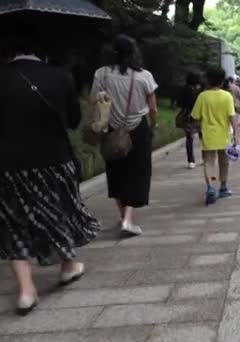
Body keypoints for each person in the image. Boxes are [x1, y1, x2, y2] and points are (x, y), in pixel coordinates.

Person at [1, 30, 100, 315]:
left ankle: (25, 290)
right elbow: (73, 121)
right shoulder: (59, 77)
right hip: (53, 158)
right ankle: (68, 264)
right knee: (57, 209)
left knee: (12, 222)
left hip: (8, 164)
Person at [91, 35, 158, 236]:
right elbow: (153, 108)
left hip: (111, 129)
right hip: (138, 129)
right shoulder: (144, 76)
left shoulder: (102, 74)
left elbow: (93, 100)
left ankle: (123, 217)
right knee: (137, 172)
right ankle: (128, 219)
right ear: (134, 52)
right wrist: (154, 125)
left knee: (116, 171)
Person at [191, 67, 239, 205]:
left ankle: (211, 187)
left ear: (207, 80)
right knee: (224, 162)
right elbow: (232, 117)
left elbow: (195, 117)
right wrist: (236, 134)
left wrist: (197, 127)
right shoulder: (227, 96)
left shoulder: (202, 96)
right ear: (222, 80)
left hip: (208, 134)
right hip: (224, 135)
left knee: (209, 162)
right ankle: (223, 187)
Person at [178, 72, 202, 169]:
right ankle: (205, 157)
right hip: (197, 115)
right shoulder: (199, 91)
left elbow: (179, 103)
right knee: (202, 135)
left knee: (189, 138)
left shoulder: (183, 89)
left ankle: (191, 160)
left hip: (186, 115)